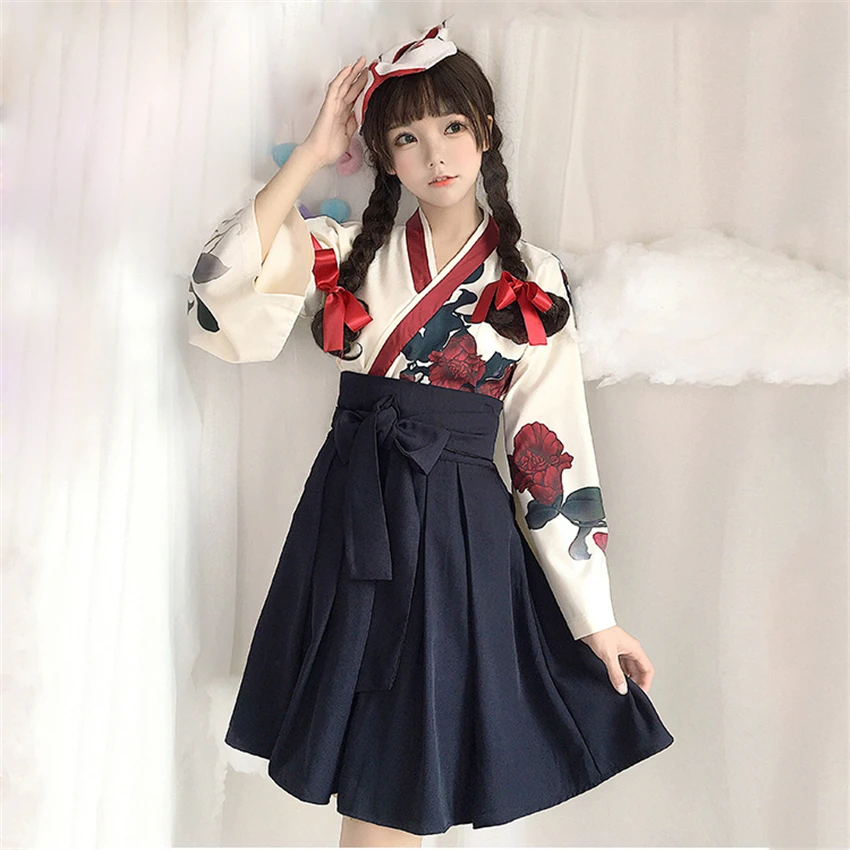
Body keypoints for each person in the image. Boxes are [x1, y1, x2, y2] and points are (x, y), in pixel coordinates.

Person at [187, 20, 674, 847]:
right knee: (375, 769)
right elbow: (221, 287)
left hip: (456, 532)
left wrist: (595, 616)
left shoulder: (529, 278)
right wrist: (312, 154)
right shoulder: (349, 253)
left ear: (486, 131)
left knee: (402, 767)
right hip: (353, 513)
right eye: (407, 138)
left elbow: (547, 450)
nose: (435, 154)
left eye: (452, 127)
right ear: (385, 157)